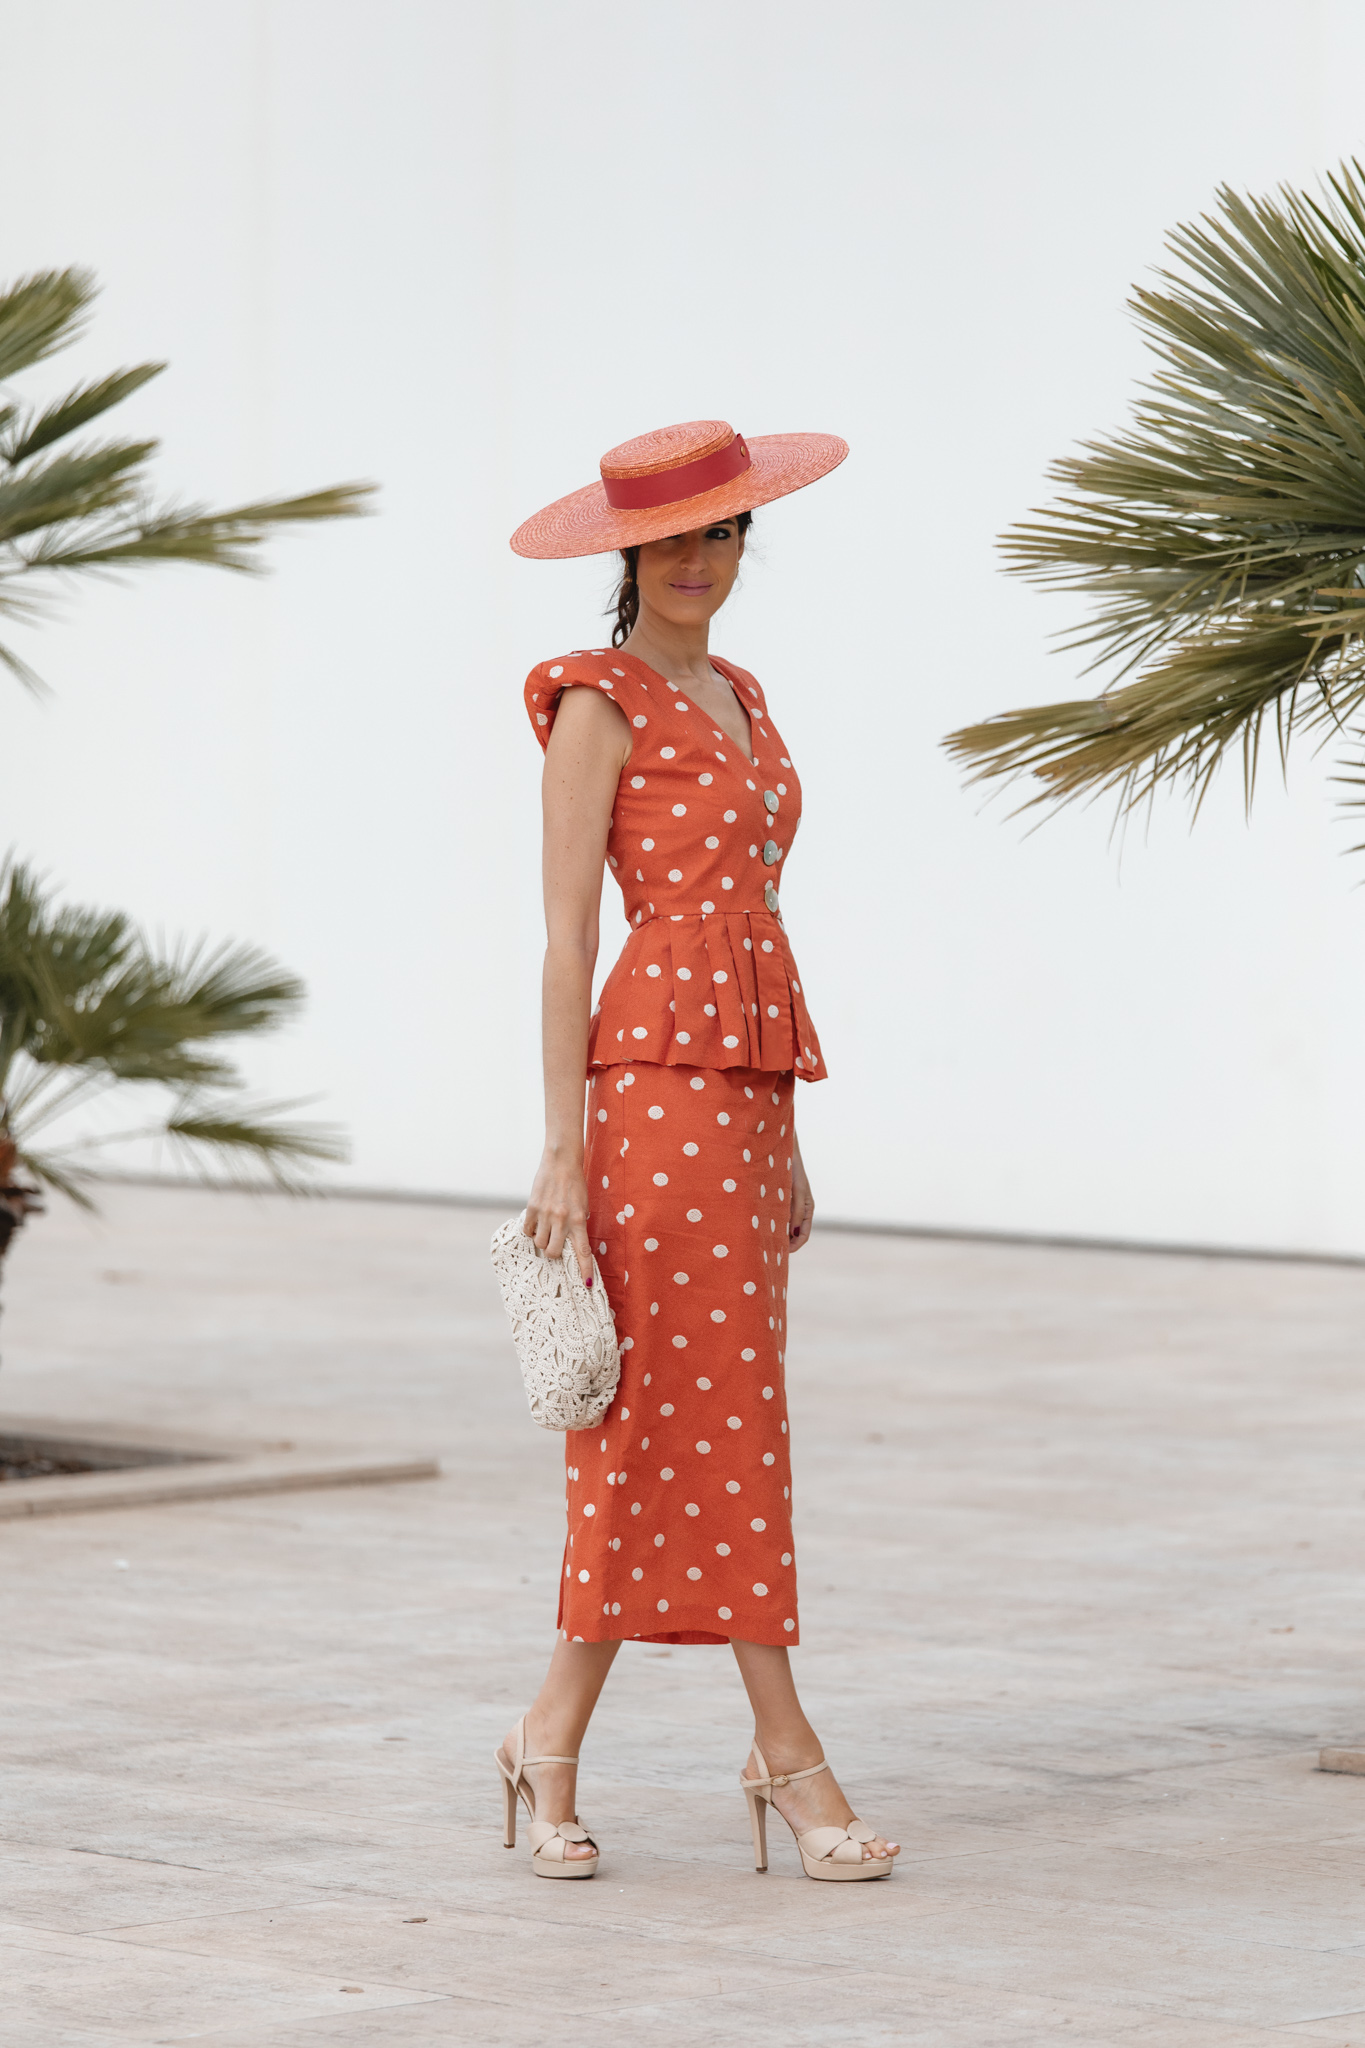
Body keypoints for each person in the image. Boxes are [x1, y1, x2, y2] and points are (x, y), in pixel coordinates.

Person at [495, 420, 899, 1882]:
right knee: (654, 1418)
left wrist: (780, 1135)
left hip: (743, 1092)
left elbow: (758, 915)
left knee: (729, 1425)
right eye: (668, 540)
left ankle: (549, 1734)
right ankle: (782, 1755)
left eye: (719, 534)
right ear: (626, 554)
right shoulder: (596, 702)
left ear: (742, 544)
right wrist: (561, 1143)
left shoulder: (738, 692)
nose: (694, 562)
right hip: (650, 1092)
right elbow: (563, 941)